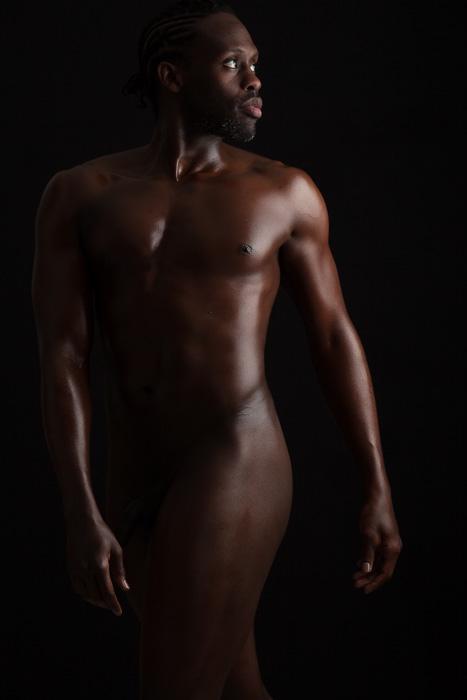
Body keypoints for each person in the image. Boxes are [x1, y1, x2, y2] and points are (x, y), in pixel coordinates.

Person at [31, 1, 403, 698]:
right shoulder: (80, 194)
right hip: (136, 469)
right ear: (172, 76)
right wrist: (79, 508)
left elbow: (333, 337)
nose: (254, 79)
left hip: (236, 453)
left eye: (255, 64)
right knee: (232, 687)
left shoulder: (283, 193)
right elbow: (63, 355)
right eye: (234, 64)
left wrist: (375, 485)